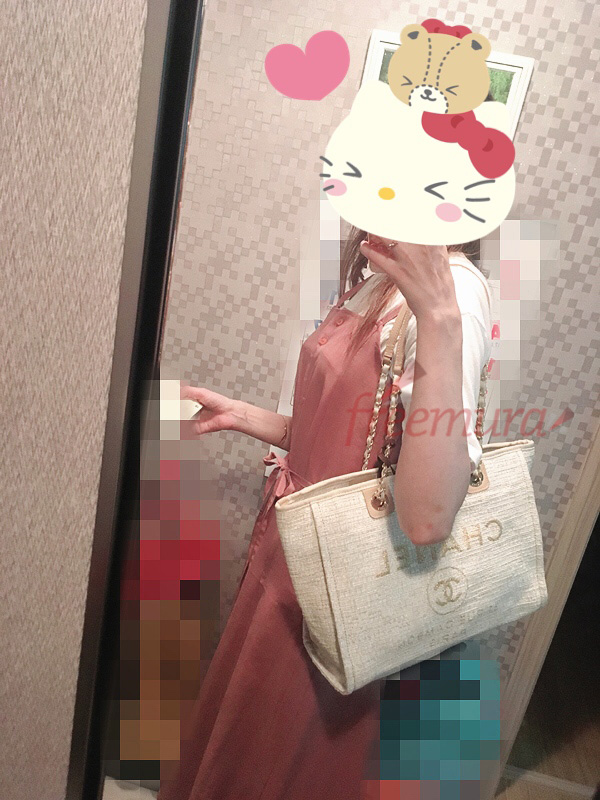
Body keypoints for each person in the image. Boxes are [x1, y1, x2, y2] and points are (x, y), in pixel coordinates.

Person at [157, 229, 492, 800]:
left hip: (346, 579)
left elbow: (428, 516)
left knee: (294, 758)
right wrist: (244, 415)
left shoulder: (452, 293)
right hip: (293, 555)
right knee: (253, 742)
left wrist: (440, 320)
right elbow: (355, 441)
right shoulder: (381, 277)